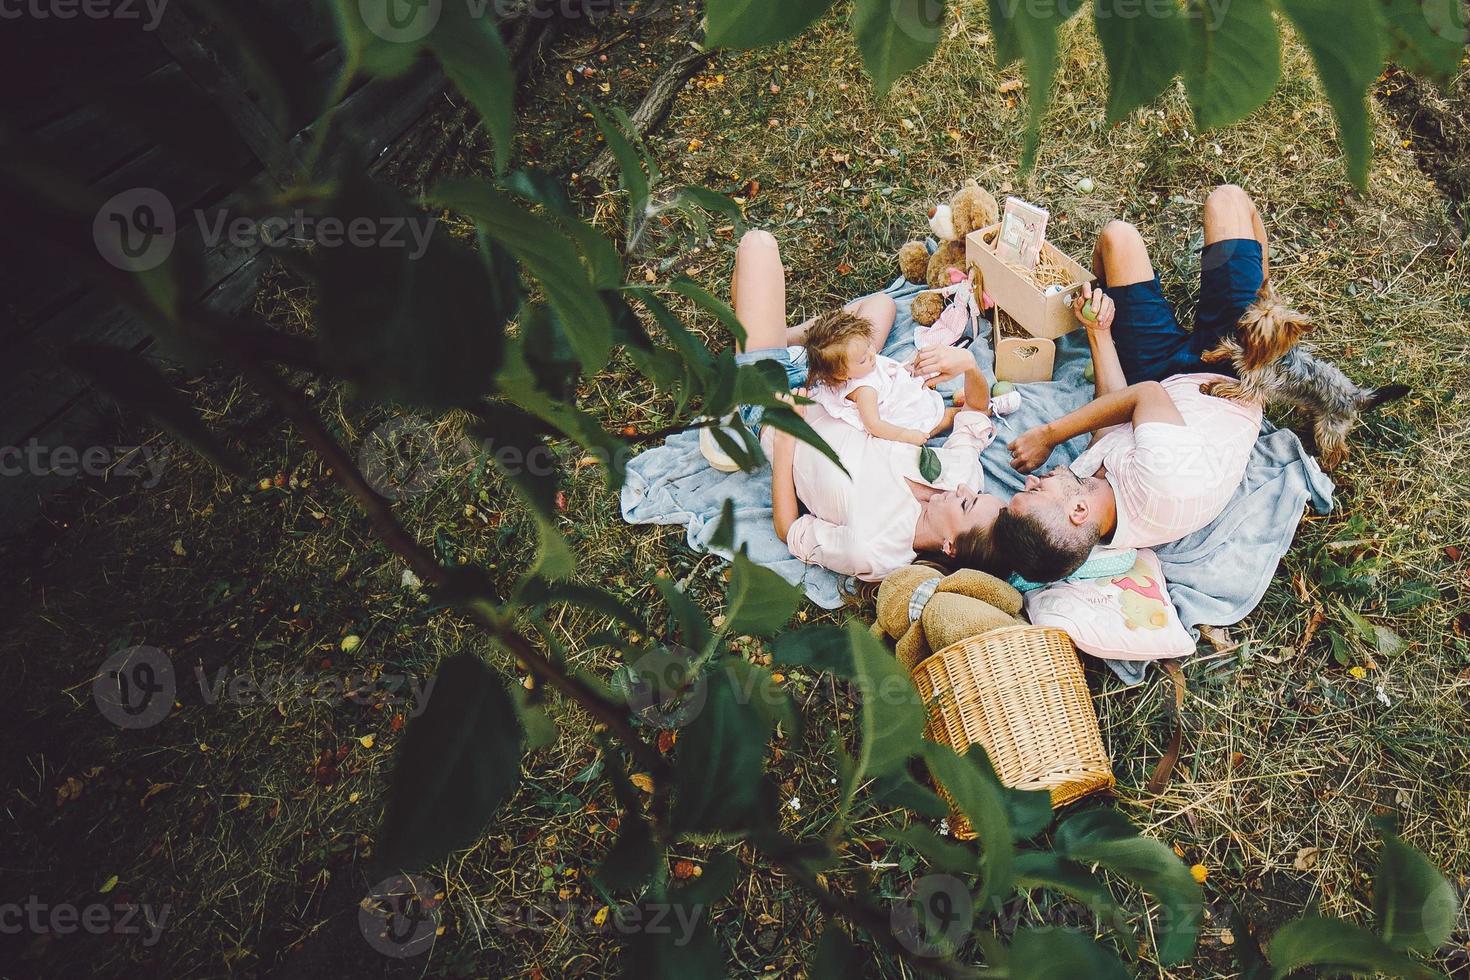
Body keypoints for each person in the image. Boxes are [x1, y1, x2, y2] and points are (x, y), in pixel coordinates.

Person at [993, 185, 1270, 582]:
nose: (1035, 479)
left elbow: (1110, 422)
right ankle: (1263, 298)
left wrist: (1098, 332)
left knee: (1116, 238)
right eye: (1035, 491)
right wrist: (1050, 434)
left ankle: (1239, 288)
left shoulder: (1095, 505)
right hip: (1229, 372)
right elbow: (1146, 395)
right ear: (1077, 514)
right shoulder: (1161, 487)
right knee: (1225, 201)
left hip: (1163, 382)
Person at [729, 229, 1005, 580]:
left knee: (758, 245)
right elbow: (975, 415)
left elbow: (790, 530)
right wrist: (968, 366)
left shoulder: (874, 549)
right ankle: (788, 340)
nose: (965, 490)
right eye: (976, 494)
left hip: (775, 395)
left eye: (968, 503)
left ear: (950, 545)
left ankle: (767, 346)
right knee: (883, 304)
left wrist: (785, 444)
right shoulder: (961, 477)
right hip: (844, 374)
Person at [802, 306, 961, 446]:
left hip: (895, 391)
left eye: (869, 345)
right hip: (900, 419)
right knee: (943, 419)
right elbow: (874, 424)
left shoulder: (861, 367)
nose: (872, 354)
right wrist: (906, 435)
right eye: (863, 359)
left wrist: (904, 371)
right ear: (841, 374)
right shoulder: (865, 390)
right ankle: (973, 413)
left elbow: (881, 370)